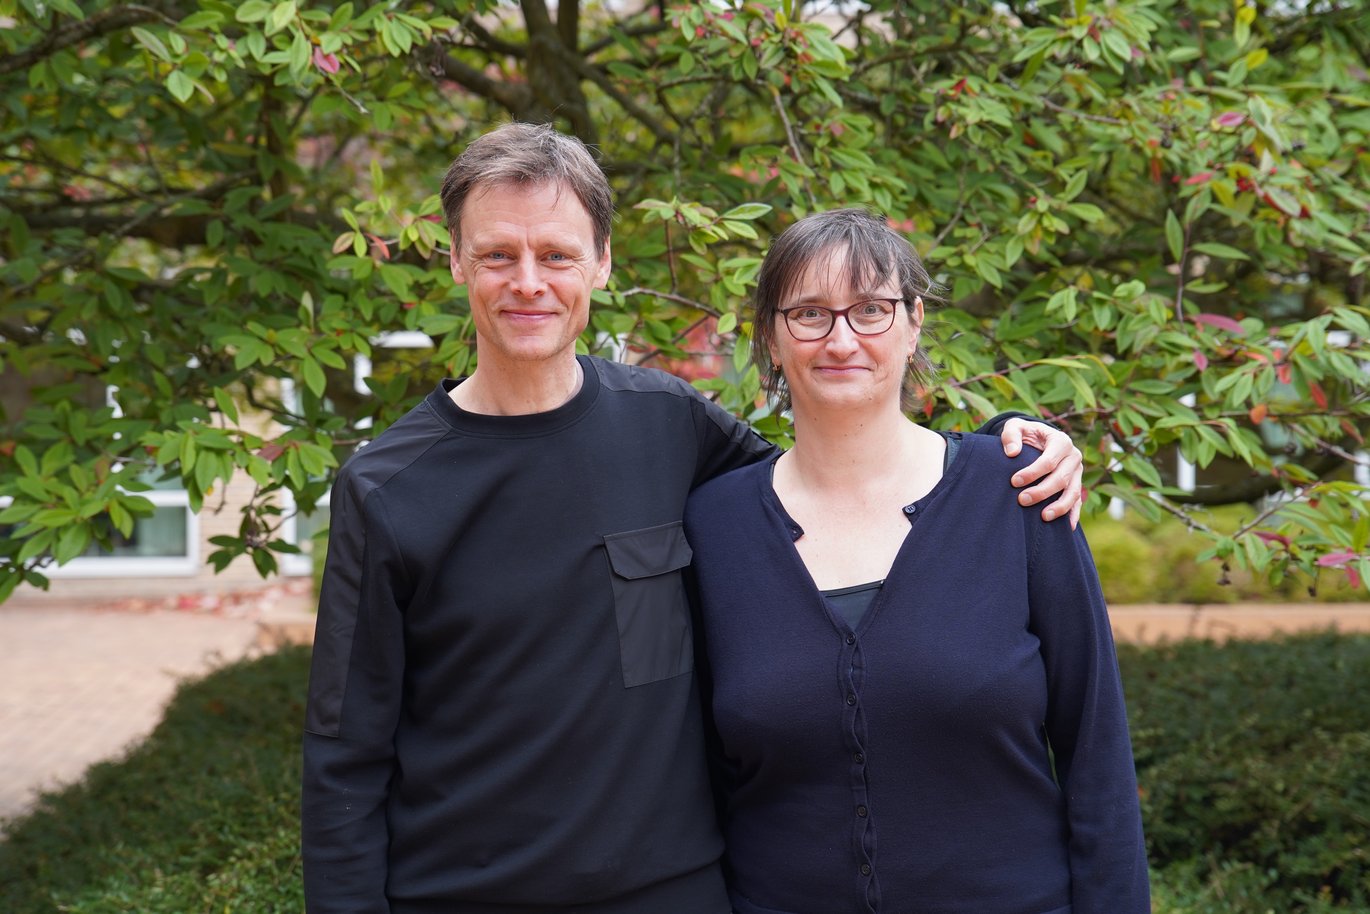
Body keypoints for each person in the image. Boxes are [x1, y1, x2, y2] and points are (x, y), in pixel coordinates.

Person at [300, 124, 1086, 914]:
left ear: (602, 262)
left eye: (558, 254)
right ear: (456, 260)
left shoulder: (669, 425)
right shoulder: (387, 488)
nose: (528, 282)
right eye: (499, 254)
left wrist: (1001, 449)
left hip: (672, 893)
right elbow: (344, 758)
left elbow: (836, 467)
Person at [683, 208, 1149, 914]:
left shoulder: (1018, 494)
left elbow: (1096, 754)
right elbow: (698, 777)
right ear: (772, 338)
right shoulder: (713, 527)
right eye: (809, 313)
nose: (841, 339)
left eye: (871, 310)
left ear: (914, 322)